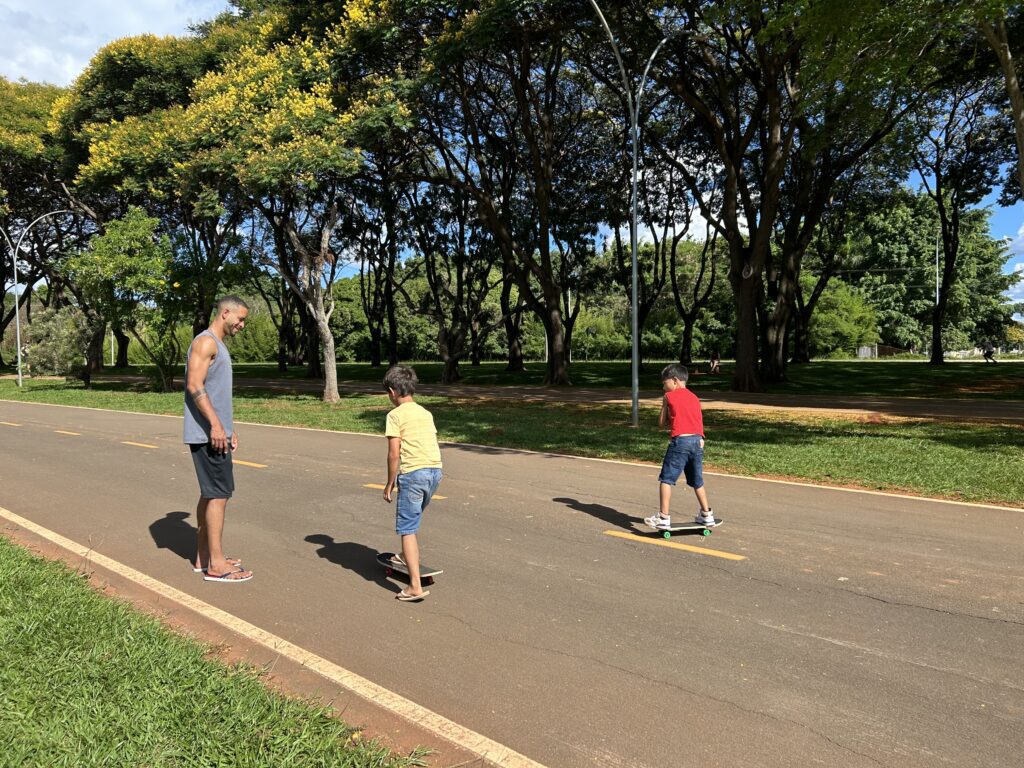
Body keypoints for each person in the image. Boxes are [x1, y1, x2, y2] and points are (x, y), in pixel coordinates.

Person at [183, 295, 253, 583]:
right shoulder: (206, 342)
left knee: (210, 492)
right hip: (208, 434)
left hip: (215, 431)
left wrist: (227, 425)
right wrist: (215, 425)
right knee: (219, 494)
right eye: (241, 319)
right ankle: (217, 565)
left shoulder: (216, 344)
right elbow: (194, 385)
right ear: (225, 313)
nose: (243, 325)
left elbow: (215, 391)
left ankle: (205, 557)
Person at [382, 365, 443, 601]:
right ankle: (402, 555)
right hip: (435, 472)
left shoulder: (394, 416)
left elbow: (394, 454)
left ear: (392, 391)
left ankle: (414, 586)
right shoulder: (425, 413)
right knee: (414, 518)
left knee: (407, 528)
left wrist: (389, 483)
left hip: (414, 475)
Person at [644, 363, 716, 530]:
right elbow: (695, 420)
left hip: (680, 442)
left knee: (666, 479)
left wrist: (663, 405)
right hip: (698, 441)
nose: (663, 386)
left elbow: (662, 424)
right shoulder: (694, 397)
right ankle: (707, 514)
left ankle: (663, 517)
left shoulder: (670, 396)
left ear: (675, 380)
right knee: (697, 481)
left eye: (664, 383)